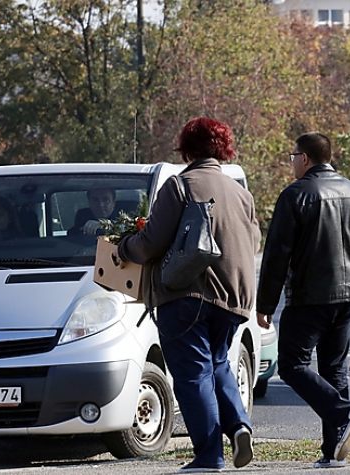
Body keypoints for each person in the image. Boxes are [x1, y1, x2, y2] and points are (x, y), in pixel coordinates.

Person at [117, 117, 261, 471]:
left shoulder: (180, 186)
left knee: (193, 373)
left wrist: (123, 248)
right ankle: (239, 425)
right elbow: (254, 241)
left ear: (188, 148)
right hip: (234, 299)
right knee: (218, 362)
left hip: (187, 295)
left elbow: (150, 243)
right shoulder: (241, 193)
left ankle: (210, 456)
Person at [256, 132, 350, 468]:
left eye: (292, 156)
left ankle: (343, 413)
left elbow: (277, 254)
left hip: (311, 297)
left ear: (305, 158)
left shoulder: (296, 195)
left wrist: (265, 304)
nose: (291, 162)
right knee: (334, 369)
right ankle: (333, 450)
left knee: (292, 365)